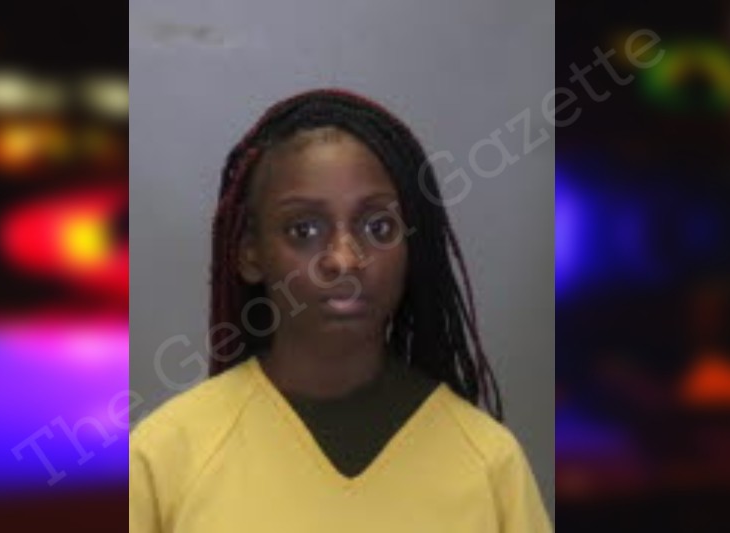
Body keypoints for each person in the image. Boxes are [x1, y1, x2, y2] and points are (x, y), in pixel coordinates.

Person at [130, 88, 552, 532]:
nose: (345, 259)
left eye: (378, 226)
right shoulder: (164, 459)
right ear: (250, 252)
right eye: (304, 229)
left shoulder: (489, 463)